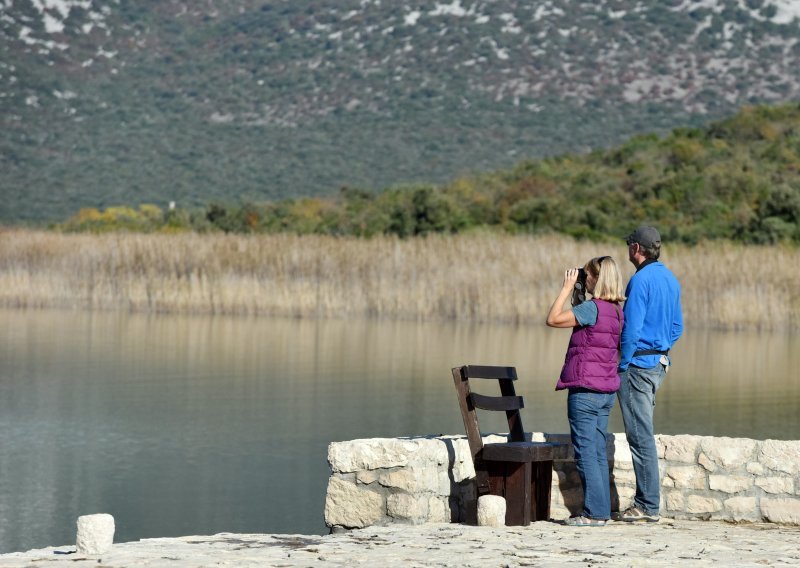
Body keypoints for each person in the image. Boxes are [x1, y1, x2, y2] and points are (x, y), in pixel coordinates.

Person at [547, 256, 626, 527]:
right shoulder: (616, 310)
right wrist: (580, 293)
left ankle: (594, 513)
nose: (585, 280)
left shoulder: (592, 309)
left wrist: (567, 287)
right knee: (597, 451)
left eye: (587, 276)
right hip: (605, 391)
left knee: (585, 452)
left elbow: (553, 319)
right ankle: (600, 511)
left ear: (597, 279)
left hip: (585, 390)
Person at [613, 226, 683, 523]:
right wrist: (662, 353)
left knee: (639, 436)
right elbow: (677, 327)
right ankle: (648, 503)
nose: (628, 249)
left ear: (637, 249)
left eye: (629, 244)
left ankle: (647, 505)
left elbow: (630, 330)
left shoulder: (639, 281)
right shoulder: (670, 279)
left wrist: (622, 363)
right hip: (658, 364)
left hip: (638, 367)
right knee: (642, 432)